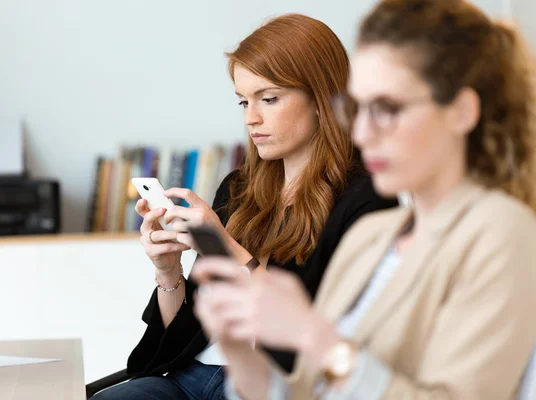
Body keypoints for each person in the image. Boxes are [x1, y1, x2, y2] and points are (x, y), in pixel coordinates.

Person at [192, 1, 536, 399]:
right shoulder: (373, 237)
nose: (363, 132)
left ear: (460, 111)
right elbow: (303, 392)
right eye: (358, 108)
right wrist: (239, 350)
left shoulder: (504, 233)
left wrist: (315, 338)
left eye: (387, 108)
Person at [90, 13, 397, 400]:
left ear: (322, 98)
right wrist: (167, 271)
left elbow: (323, 342)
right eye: (243, 101)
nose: (251, 119)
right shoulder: (237, 189)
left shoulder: (366, 203)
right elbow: (180, 339)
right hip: (190, 377)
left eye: (269, 99)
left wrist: (227, 249)